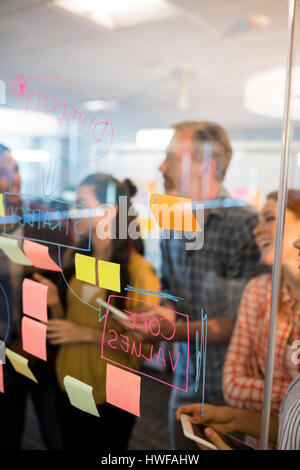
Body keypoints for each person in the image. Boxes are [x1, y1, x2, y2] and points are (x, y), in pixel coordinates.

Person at [112, 121, 264, 450]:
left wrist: (167, 331)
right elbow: (173, 295)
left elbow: (235, 326)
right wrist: (160, 314)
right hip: (186, 376)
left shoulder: (244, 224)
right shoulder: (173, 218)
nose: (162, 166)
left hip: (229, 388)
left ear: (205, 165)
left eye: (172, 158)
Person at [35, 173, 160, 450]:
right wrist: (56, 303)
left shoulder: (138, 271)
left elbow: (148, 350)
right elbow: (67, 328)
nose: (73, 212)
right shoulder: (80, 258)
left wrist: (87, 334)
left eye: (81, 204)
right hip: (71, 383)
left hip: (114, 391)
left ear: (108, 211)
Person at [176, 192, 300, 450]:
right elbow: (232, 385)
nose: (257, 231)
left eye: (269, 218)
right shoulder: (259, 290)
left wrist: (256, 401)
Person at [0, 143, 63, 450]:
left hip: (43, 355)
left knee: (56, 435)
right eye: (2, 172)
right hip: (3, 360)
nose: (14, 179)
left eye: (16, 169)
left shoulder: (43, 224)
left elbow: (60, 286)